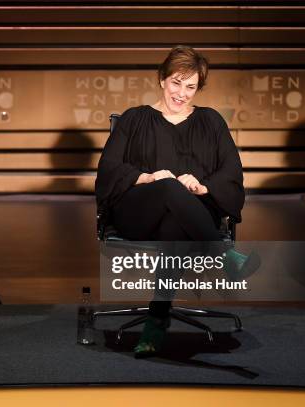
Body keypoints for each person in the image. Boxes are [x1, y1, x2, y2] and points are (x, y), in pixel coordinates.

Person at [95, 45, 255, 357]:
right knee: (168, 187)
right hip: (138, 213)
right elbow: (108, 171)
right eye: (176, 83)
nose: (182, 93)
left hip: (189, 218)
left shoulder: (211, 122)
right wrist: (151, 178)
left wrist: (202, 187)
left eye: (191, 86)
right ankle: (224, 255)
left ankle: (156, 321)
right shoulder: (134, 119)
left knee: (176, 224)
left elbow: (232, 173)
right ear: (162, 79)